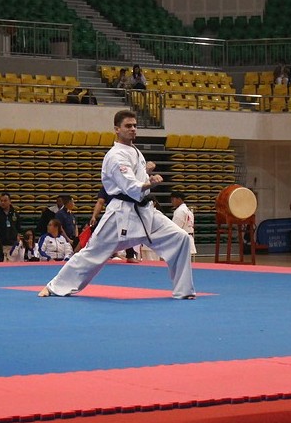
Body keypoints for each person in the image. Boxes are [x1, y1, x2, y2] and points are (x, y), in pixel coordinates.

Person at [39, 110, 195, 299]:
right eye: (128, 126)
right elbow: (130, 186)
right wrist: (150, 183)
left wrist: (146, 175)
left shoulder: (135, 151)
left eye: (135, 125)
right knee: (92, 253)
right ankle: (55, 286)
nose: (133, 129)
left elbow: (138, 181)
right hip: (121, 214)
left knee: (181, 238)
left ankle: (184, 291)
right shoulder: (115, 156)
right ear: (116, 129)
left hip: (145, 212)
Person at [170, 191, 197, 256]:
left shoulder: (180, 211)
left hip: (182, 240)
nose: (172, 202)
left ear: (179, 199)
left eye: (173, 199)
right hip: (188, 237)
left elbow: (176, 228)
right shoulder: (188, 210)